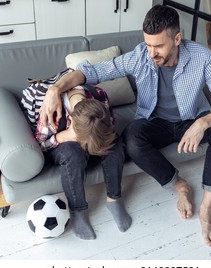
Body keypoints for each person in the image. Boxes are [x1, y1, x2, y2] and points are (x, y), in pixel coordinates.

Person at [39, 5, 211, 247]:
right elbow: (92, 72)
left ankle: (206, 209)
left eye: (158, 46)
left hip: (191, 119)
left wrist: (203, 122)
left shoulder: (203, 58)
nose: (151, 52)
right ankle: (180, 186)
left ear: (177, 39)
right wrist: (55, 88)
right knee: (131, 138)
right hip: (155, 123)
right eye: (148, 45)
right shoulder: (140, 55)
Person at [24, 75, 132, 240]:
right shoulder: (50, 111)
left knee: (115, 144)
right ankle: (78, 210)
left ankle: (114, 199)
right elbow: (40, 145)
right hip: (60, 144)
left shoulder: (99, 96)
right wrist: (64, 136)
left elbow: (108, 127)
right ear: (72, 121)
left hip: (91, 135)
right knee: (73, 153)